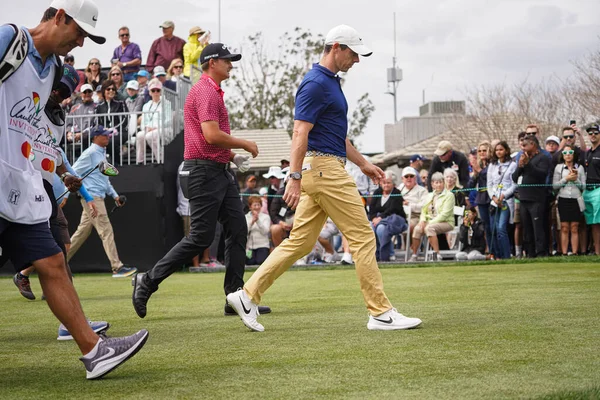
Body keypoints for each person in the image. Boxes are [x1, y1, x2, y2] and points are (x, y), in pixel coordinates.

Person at [224, 24, 422, 332]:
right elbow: (300, 131)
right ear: (337, 48)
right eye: (353, 54)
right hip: (324, 171)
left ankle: (247, 295)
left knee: (300, 243)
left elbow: (336, 135)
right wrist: (293, 176)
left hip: (323, 168)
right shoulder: (316, 83)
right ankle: (380, 312)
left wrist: (364, 163)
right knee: (363, 236)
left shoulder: (330, 83)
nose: (356, 60)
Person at [0, 0, 147, 379]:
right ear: (59, 16)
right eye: (79, 33)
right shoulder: (9, 39)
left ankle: (95, 352)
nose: (81, 43)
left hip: (21, 184)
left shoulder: (53, 70)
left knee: (52, 262)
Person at [132, 42, 272, 318]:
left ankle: (235, 298)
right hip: (204, 173)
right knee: (200, 237)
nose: (231, 64)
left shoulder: (212, 91)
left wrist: (230, 157)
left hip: (218, 171)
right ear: (211, 63)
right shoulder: (207, 90)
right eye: (227, 60)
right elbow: (210, 135)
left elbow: (205, 139)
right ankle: (147, 281)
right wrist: (244, 144)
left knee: (237, 229)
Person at [67, 125, 137, 277]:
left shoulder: (100, 154)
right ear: (95, 137)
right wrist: (84, 193)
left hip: (97, 197)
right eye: (104, 135)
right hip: (92, 198)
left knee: (81, 233)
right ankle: (117, 267)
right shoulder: (91, 153)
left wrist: (115, 196)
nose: (108, 137)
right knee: (106, 231)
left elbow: (104, 179)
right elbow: (72, 172)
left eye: (108, 135)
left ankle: (58, 262)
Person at [512, 135, 550, 258]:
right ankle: (530, 252)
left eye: (524, 145)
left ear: (532, 144)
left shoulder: (542, 158)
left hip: (536, 198)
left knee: (537, 227)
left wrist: (528, 164)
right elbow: (514, 178)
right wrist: (520, 166)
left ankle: (541, 252)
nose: (522, 148)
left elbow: (541, 175)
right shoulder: (523, 158)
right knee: (526, 228)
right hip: (523, 198)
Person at [410, 172, 455, 262]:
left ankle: (437, 255)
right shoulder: (429, 195)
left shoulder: (449, 195)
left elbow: (445, 214)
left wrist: (429, 223)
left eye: (440, 182)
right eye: (436, 182)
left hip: (446, 222)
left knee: (429, 228)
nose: (438, 185)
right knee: (417, 229)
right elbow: (424, 210)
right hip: (430, 221)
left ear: (444, 183)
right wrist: (422, 221)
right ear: (432, 184)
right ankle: (414, 255)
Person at [553, 144, 586, 255]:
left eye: (570, 153)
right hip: (563, 198)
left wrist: (575, 179)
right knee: (564, 227)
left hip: (576, 199)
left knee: (575, 227)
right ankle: (564, 252)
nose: (568, 155)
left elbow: (583, 186)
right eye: (565, 153)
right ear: (562, 155)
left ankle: (575, 252)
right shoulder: (559, 167)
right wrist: (566, 178)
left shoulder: (580, 167)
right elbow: (555, 186)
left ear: (574, 154)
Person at [487, 141, 517, 260]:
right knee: (493, 229)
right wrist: (493, 197)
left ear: (506, 150)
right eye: (497, 150)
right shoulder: (492, 165)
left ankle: (506, 256)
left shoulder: (512, 165)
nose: (499, 152)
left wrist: (503, 196)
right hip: (494, 201)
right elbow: (489, 184)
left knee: (501, 228)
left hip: (506, 201)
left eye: (501, 149)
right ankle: (498, 255)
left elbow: (514, 185)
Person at [368, 171, 407, 261]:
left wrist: (380, 218)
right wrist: (374, 218)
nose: (386, 185)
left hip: (395, 220)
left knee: (381, 228)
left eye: (388, 183)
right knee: (370, 227)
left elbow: (393, 209)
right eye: (384, 183)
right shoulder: (377, 192)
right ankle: (375, 254)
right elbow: (372, 208)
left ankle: (388, 254)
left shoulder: (396, 193)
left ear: (393, 184)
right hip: (377, 219)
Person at [136, 79, 172, 163]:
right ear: (150, 92)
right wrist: (146, 128)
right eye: (153, 90)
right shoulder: (146, 105)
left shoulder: (167, 103)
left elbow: (168, 120)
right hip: (150, 129)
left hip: (164, 129)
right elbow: (143, 122)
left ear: (161, 92)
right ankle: (140, 161)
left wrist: (155, 127)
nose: (155, 92)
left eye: (158, 90)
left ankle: (160, 159)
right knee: (140, 135)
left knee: (150, 136)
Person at [468, 141, 492, 251]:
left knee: (494, 227)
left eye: (484, 150)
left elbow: (490, 179)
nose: (482, 153)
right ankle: (490, 251)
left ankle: (498, 252)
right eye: (480, 151)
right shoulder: (479, 165)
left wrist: (479, 170)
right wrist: (475, 174)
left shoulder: (493, 164)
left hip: (492, 198)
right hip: (481, 199)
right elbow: (470, 185)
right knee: (486, 227)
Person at [583, 124, 600, 255]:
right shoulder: (588, 153)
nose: (593, 135)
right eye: (590, 133)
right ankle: (597, 252)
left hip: (599, 188)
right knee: (593, 223)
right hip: (587, 190)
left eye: (595, 132)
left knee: (599, 221)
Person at [397, 167, 428, 238]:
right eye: (406, 176)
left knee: (409, 226)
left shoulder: (422, 190)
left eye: (411, 176)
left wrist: (409, 204)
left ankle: (409, 248)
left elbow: (424, 207)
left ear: (415, 178)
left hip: (416, 217)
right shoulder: (398, 189)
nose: (409, 178)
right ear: (402, 179)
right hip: (400, 216)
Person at [245, 196, 271, 265]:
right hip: (250, 247)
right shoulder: (246, 217)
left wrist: (258, 221)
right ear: (250, 207)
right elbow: (244, 231)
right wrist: (252, 222)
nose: (257, 207)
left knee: (260, 262)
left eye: (258, 205)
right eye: (254, 205)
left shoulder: (266, 217)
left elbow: (265, 231)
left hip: (263, 245)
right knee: (250, 262)